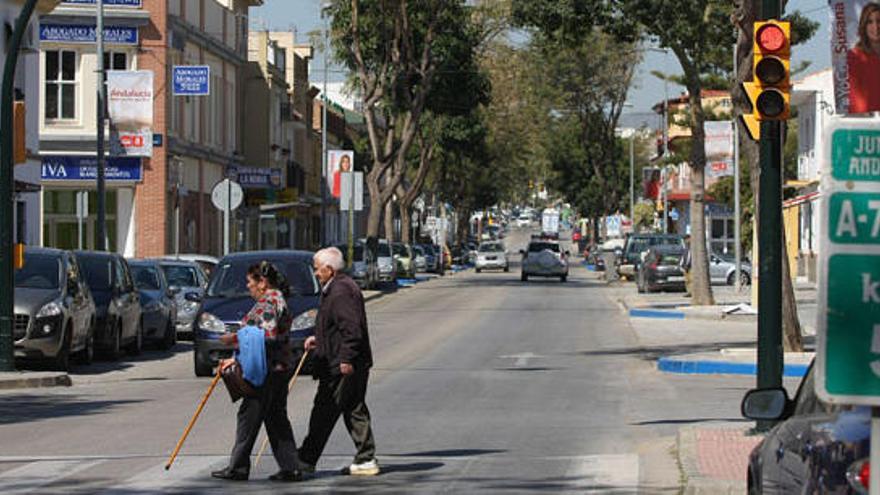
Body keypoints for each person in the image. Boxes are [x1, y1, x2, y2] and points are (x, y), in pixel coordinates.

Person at [211, 262, 302, 482]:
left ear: (262, 282)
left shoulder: (269, 302)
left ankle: (238, 467)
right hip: (278, 368)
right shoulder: (276, 299)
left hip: (264, 370)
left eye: (250, 282)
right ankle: (291, 467)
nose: (248, 286)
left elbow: (266, 336)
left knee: (249, 417)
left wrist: (233, 339)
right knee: (276, 417)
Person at [299, 247, 379, 476]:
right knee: (353, 408)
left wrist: (345, 358)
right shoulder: (338, 287)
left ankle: (306, 458)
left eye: (317, 269)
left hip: (342, 364)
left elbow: (352, 330)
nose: (315, 273)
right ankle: (365, 458)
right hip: (346, 360)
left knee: (325, 409)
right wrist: (320, 338)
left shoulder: (341, 291)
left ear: (329, 269)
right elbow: (338, 326)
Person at [848, 3, 880, 114]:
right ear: (864, 26)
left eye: (879, 21)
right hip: (868, 125)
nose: (876, 27)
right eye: (870, 22)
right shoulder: (854, 56)